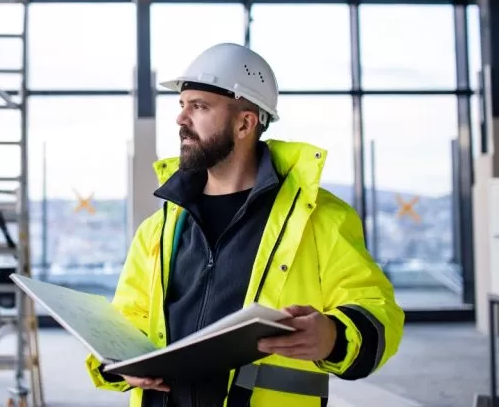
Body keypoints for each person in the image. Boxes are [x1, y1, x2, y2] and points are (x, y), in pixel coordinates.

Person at [83, 43, 405, 407]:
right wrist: (116, 362)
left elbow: (379, 311)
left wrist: (333, 335)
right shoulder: (159, 228)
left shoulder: (321, 219)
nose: (181, 119)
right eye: (182, 105)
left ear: (245, 122)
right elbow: (128, 319)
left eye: (199, 106)